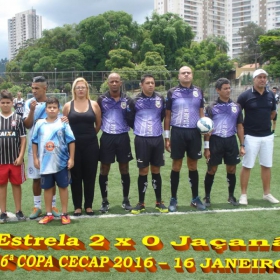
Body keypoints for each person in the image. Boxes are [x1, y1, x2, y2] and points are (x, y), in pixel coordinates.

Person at [164, 66, 205, 212]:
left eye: (189, 73)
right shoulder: (172, 92)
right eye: (183, 73)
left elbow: (201, 114)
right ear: (179, 76)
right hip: (178, 132)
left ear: (192, 75)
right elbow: (167, 116)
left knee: (193, 166)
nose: (186, 75)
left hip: (194, 132)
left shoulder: (198, 91)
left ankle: (195, 198)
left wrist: (206, 129)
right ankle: (173, 199)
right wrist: (167, 137)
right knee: (176, 165)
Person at [126, 74, 168, 214]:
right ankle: (141, 203)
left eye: (153, 82)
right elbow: (129, 118)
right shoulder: (134, 101)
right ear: (141, 85)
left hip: (157, 138)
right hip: (141, 139)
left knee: (156, 170)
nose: (151, 85)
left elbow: (162, 115)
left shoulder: (160, 99)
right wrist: (139, 128)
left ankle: (159, 202)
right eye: (148, 83)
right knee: (143, 170)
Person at [237, 69, 279, 205]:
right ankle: (243, 194)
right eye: (259, 77)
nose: (262, 79)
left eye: (264, 77)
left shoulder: (271, 96)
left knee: (266, 165)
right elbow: (238, 115)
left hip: (267, 136)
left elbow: (273, 113)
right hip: (250, 136)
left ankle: (267, 193)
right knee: (247, 165)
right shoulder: (245, 96)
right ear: (254, 79)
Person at [32, 97, 75, 224]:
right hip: (45, 163)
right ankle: (49, 213)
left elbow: (71, 141)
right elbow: (34, 141)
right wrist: (35, 158)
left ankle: (65, 213)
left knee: (63, 187)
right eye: (49, 107)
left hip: (61, 162)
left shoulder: (63, 122)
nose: (52, 109)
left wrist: (71, 158)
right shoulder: (40, 123)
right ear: (46, 109)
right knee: (47, 188)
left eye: (54, 107)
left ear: (58, 109)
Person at [203, 78, 245, 207]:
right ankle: (207, 197)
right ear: (218, 90)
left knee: (232, 169)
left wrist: (242, 145)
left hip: (231, 141)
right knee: (212, 169)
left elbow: (240, 127)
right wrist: (207, 147)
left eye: (229, 88)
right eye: (225, 88)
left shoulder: (236, 107)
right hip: (216, 140)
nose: (228, 90)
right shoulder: (211, 107)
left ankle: (231, 196)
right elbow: (206, 129)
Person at [63, 77, 101, 216]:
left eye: (83, 87)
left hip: (91, 145)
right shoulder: (68, 106)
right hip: (73, 146)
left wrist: (89, 136)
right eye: (78, 87)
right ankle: (78, 206)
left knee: (90, 175)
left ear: (87, 89)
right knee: (76, 175)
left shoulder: (94, 105)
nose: (80, 89)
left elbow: (98, 125)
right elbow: (64, 126)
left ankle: (89, 205)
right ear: (74, 89)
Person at [23, 76, 60, 219]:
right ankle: (37, 207)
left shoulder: (52, 103)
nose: (34, 91)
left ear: (45, 88)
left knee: (52, 176)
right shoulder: (28, 103)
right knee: (36, 178)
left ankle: (53, 205)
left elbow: (58, 122)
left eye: (36, 88)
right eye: (32, 88)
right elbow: (27, 125)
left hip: (51, 147)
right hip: (34, 148)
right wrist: (32, 110)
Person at [97, 73, 133, 213]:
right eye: (111, 81)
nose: (113, 84)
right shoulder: (101, 99)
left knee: (124, 168)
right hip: (107, 137)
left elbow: (132, 116)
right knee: (104, 168)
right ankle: (104, 201)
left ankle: (126, 199)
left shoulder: (128, 99)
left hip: (123, 137)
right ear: (108, 82)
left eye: (116, 81)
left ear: (120, 83)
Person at [0, 90, 27, 223]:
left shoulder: (18, 118)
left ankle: (18, 210)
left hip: (15, 160)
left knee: (16, 184)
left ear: (12, 103)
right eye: (3, 102)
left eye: (7, 102)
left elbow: (23, 139)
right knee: (2, 185)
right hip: (1, 160)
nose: (5, 105)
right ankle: (3, 211)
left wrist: (21, 156)